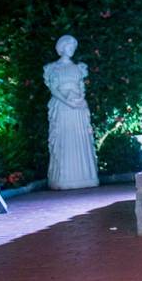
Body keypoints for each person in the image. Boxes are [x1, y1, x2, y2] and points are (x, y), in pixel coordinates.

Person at [43, 34, 99, 190]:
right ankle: (64, 178)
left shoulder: (78, 68)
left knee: (80, 137)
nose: (72, 49)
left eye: (74, 47)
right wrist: (67, 101)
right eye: (69, 46)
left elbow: (81, 88)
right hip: (62, 106)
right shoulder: (53, 68)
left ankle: (85, 176)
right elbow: (54, 89)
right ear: (61, 48)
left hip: (78, 107)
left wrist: (79, 100)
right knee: (64, 140)